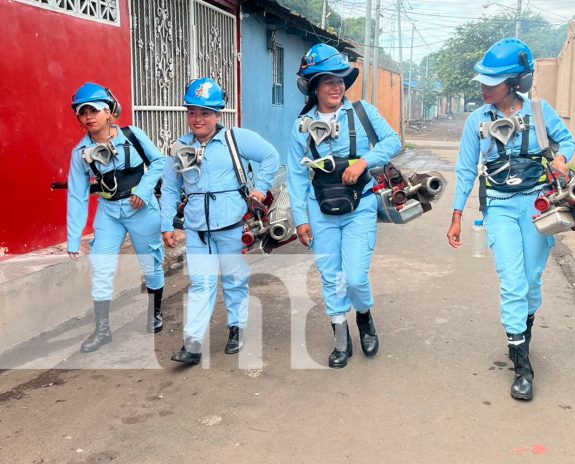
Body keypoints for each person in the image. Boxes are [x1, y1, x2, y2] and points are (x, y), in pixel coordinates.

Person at [446, 38, 575, 400]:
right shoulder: (477, 121)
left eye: (494, 81)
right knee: (512, 279)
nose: (486, 87)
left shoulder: (539, 112)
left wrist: (562, 159)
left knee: (532, 281)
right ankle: (522, 364)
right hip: (500, 206)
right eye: (484, 81)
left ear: (516, 82)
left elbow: (568, 141)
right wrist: (457, 215)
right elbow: (465, 169)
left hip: (537, 205)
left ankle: (523, 333)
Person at [287, 43, 402, 368]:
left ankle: (364, 316)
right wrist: (300, 219)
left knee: (354, 278)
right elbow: (296, 174)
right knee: (330, 276)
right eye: (328, 81)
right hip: (319, 210)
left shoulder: (363, 112)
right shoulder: (301, 126)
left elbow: (393, 141)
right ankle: (340, 337)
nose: (336, 86)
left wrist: (364, 161)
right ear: (314, 87)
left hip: (360, 207)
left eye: (340, 79)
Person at [160, 77, 279, 365]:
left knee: (235, 281)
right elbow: (170, 188)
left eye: (205, 113)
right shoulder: (179, 148)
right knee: (201, 284)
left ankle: (236, 328)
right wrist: (167, 225)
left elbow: (270, 156)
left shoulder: (236, 139)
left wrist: (260, 188)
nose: (197, 119)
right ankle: (193, 343)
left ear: (218, 114)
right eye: (192, 112)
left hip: (233, 226)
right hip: (198, 229)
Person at [67, 82, 166, 353]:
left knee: (151, 263)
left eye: (94, 110)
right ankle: (102, 330)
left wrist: (145, 191)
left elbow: (159, 162)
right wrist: (74, 237)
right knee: (101, 266)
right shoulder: (80, 153)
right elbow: (77, 195)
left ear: (109, 111)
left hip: (141, 209)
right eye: (82, 111)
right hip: (109, 212)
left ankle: (155, 312)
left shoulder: (132, 135)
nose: (89, 116)